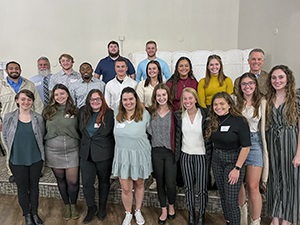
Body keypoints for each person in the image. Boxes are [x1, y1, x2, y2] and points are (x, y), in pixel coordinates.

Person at [205, 92, 251, 225]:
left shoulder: (239, 121)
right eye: (215, 104)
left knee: (231, 200)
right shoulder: (213, 120)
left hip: (234, 161)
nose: (218, 107)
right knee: (224, 197)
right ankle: (229, 221)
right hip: (217, 160)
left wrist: (237, 168)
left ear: (229, 105)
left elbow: (246, 147)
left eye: (222, 104)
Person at [2, 89, 44, 225]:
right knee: (22, 188)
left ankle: (35, 213)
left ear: (32, 102)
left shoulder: (38, 117)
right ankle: (26, 214)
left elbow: (41, 136)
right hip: (17, 159)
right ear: (17, 100)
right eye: (23, 99)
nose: (26, 102)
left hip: (35, 159)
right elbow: (6, 136)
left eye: (29, 99)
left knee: (34, 187)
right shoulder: (8, 117)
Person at [112, 87, 152, 225]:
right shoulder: (116, 114)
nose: (128, 102)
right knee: (126, 188)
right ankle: (128, 213)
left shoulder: (145, 114)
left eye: (131, 99)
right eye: (125, 99)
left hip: (140, 155)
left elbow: (151, 132)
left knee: (139, 184)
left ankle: (138, 210)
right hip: (122, 156)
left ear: (136, 99)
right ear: (121, 101)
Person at [265, 65, 300, 225]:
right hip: (272, 142)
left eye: (280, 77)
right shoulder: (267, 99)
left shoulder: (296, 98)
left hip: (290, 141)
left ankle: (287, 219)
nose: (277, 81)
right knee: (273, 180)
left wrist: (298, 153)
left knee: (290, 181)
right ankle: (275, 217)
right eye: (274, 78)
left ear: (288, 79)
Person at [0, 61, 43, 183]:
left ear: (20, 70)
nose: (14, 70)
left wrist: (39, 121)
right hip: (8, 124)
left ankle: (35, 170)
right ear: (6, 71)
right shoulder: (1, 85)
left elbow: (38, 104)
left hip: (29, 121)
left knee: (32, 146)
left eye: (17, 68)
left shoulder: (29, 84)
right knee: (11, 148)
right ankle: (12, 172)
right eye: (11, 68)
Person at [42, 84, 80, 220]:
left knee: (73, 182)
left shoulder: (75, 110)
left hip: (72, 150)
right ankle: (66, 205)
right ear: (53, 96)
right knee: (61, 180)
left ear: (68, 94)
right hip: (53, 150)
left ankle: (74, 204)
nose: (59, 97)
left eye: (62, 93)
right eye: (56, 94)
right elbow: (42, 131)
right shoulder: (47, 111)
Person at [234, 73, 268, 225]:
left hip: (254, 143)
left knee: (253, 186)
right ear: (240, 87)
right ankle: (242, 218)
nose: (247, 86)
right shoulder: (235, 101)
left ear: (255, 85)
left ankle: (255, 221)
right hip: (237, 144)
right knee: (239, 183)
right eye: (244, 84)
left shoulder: (263, 102)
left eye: (250, 83)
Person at [175, 88, 210, 225]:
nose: (187, 101)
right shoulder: (179, 116)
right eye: (185, 99)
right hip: (185, 155)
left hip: (201, 156)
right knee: (188, 187)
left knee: (201, 188)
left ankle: (201, 214)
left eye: (190, 98)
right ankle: (191, 213)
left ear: (196, 99)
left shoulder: (205, 114)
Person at [79, 89, 115, 223]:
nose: (95, 102)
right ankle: (91, 207)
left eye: (98, 99)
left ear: (102, 100)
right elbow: (80, 131)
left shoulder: (109, 113)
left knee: (103, 181)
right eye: (92, 99)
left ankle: (102, 207)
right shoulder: (82, 112)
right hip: (86, 153)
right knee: (87, 183)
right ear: (89, 101)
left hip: (103, 154)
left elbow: (111, 134)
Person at [166, 56, 198, 188]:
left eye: (186, 65)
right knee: (178, 145)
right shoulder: (170, 82)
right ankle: (179, 178)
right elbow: (166, 101)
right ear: (177, 68)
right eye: (181, 66)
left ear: (190, 68)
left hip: (191, 117)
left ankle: (193, 176)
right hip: (176, 118)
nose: (184, 68)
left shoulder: (194, 82)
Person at [148, 83, 176, 224]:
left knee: (170, 182)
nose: (161, 97)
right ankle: (163, 209)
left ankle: (171, 205)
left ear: (168, 95)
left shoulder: (174, 112)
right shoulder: (151, 112)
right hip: (156, 151)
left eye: (164, 95)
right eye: (158, 95)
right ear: (155, 97)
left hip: (170, 152)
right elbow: (148, 131)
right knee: (159, 182)